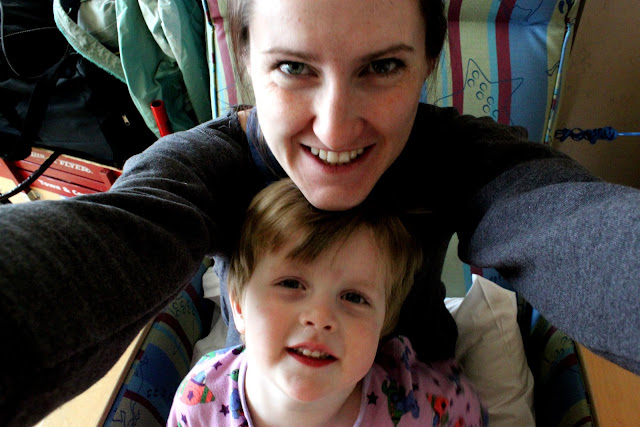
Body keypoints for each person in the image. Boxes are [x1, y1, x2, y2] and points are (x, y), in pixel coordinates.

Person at [0, 0, 638, 425]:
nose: (334, 130)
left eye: (382, 66)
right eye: (293, 67)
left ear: (428, 63)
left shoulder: (461, 158)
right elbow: (113, 237)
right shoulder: (200, 170)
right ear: (246, 62)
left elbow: (569, 226)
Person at [167, 178, 487, 427]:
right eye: (291, 284)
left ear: (383, 323)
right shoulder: (200, 403)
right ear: (238, 305)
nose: (320, 317)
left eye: (354, 297)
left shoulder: (420, 408)